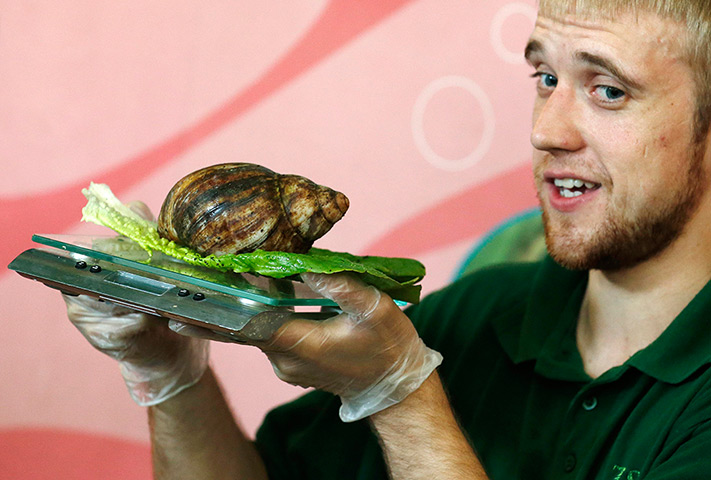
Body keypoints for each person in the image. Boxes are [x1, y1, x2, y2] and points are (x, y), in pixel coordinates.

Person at [62, 0, 711, 478]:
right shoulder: (473, 314)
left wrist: (400, 400)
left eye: (607, 90)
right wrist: (168, 375)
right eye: (544, 79)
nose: (547, 130)